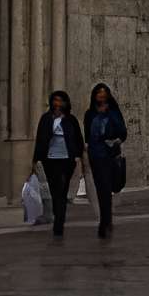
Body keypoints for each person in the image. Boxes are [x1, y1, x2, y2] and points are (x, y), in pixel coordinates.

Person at [32, 90, 88, 238]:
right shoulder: (46, 119)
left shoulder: (71, 120)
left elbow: (78, 140)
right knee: (55, 191)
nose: (57, 104)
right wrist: (36, 159)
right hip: (50, 160)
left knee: (62, 191)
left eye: (60, 101)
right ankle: (59, 217)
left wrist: (80, 159)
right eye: (55, 100)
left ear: (65, 103)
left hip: (67, 160)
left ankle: (59, 223)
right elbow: (40, 139)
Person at [83, 81, 127, 240]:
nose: (101, 95)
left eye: (103, 92)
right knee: (101, 189)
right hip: (96, 155)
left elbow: (123, 132)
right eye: (98, 92)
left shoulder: (114, 112)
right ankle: (105, 221)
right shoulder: (90, 114)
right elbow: (87, 134)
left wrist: (115, 141)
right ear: (95, 95)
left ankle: (106, 221)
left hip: (110, 154)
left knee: (108, 188)